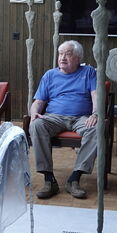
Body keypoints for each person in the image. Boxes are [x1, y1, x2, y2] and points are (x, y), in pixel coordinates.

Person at [29, 40, 99, 200]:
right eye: (61, 54)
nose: (63, 58)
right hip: (54, 117)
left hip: (81, 118)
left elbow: (96, 95)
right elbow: (38, 102)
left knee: (97, 129)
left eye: (68, 54)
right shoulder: (50, 75)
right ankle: (49, 180)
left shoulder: (88, 72)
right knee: (37, 124)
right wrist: (34, 114)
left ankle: (74, 179)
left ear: (78, 58)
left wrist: (95, 114)